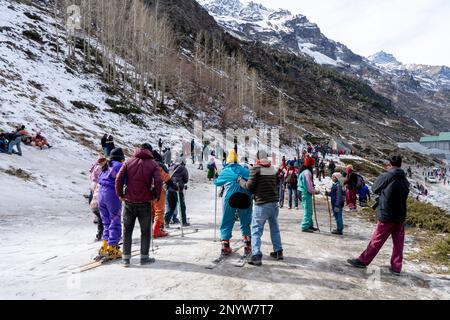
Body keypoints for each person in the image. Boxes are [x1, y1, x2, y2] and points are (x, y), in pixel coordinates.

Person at [348, 155, 410, 275]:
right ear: (400, 164)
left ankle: (363, 260)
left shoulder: (387, 175)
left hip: (387, 213)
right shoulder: (404, 179)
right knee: (398, 242)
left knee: (377, 239)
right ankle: (396, 267)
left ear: (390, 164)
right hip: (400, 214)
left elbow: (375, 188)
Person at [116, 144, 162, 267]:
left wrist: (120, 194)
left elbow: (119, 179)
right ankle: (144, 258)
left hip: (129, 201)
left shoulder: (128, 161)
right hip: (145, 202)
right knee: (145, 231)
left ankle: (125, 259)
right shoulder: (153, 164)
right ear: (149, 151)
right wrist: (155, 195)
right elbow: (158, 181)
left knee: (127, 230)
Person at [239, 150, 283, 266]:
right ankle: (279, 252)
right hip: (274, 203)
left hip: (261, 204)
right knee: (275, 228)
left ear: (257, 158)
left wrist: (240, 180)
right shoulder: (272, 169)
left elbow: (248, 186)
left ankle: (256, 256)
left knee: (256, 230)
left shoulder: (256, 169)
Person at [214, 149, 253, 255]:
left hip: (230, 197)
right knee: (246, 220)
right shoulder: (245, 170)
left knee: (227, 219)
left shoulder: (225, 171)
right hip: (245, 196)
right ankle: (247, 244)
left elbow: (216, 183)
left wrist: (216, 176)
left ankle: (225, 245)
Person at [95, 148, 125, 261]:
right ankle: (113, 248)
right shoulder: (119, 166)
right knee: (115, 221)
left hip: (101, 194)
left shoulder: (106, 165)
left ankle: (105, 246)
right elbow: (124, 180)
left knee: (106, 222)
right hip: (111, 194)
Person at [151, 148, 174, 238]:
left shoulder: (145, 164)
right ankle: (157, 230)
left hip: (146, 190)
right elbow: (167, 179)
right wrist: (174, 186)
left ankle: (151, 229)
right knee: (159, 210)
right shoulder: (160, 166)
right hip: (158, 189)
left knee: (151, 211)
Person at [165, 156, 190, 227]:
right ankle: (183, 222)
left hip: (169, 189)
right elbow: (186, 180)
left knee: (171, 206)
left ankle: (166, 221)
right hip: (178, 190)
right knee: (182, 206)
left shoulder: (170, 168)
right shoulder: (183, 168)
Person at [298, 156, 318, 232]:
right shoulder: (307, 173)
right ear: (310, 164)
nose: (314, 166)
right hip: (305, 193)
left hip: (301, 192)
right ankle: (305, 226)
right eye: (313, 164)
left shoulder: (303, 171)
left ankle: (309, 225)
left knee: (308, 210)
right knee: (308, 210)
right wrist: (314, 191)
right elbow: (309, 186)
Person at [89, 157, 107, 241]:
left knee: (100, 218)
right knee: (106, 219)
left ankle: (99, 235)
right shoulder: (101, 170)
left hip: (93, 204)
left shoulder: (95, 167)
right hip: (100, 203)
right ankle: (107, 237)